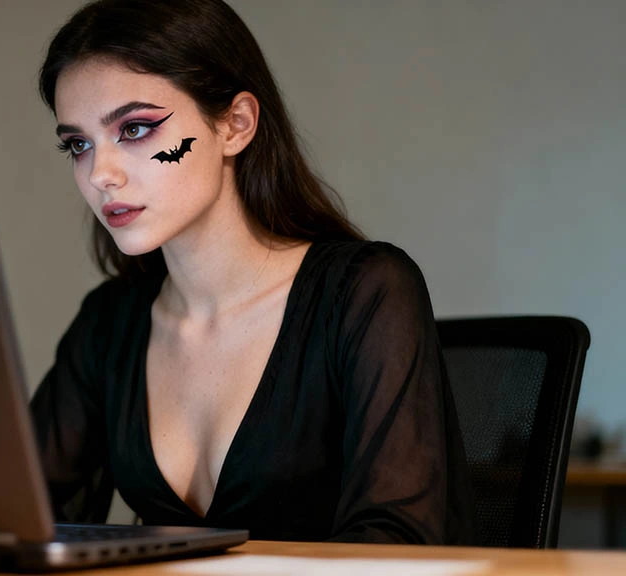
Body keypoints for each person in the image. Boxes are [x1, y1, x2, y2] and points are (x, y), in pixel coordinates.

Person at [30, 0, 474, 544]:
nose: (101, 174)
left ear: (235, 125)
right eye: (79, 144)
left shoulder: (365, 292)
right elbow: (5, 512)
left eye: (137, 129)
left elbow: (398, 546)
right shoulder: (110, 324)